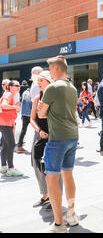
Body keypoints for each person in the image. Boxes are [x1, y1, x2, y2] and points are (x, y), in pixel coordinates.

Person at [37, 55, 79, 233]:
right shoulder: (72, 87)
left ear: (55, 69)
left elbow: (41, 114)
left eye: (50, 69)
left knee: (51, 179)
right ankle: (71, 214)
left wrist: (45, 111)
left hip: (57, 138)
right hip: (72, 136)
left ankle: (59, 223)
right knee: (68, 175)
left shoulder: (52, 88)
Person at [29, 70, 63, 210]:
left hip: (54, 137)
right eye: (38, 80)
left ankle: (56, 198)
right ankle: (46, 195)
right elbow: (32, 119)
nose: (38, 83)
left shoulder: (56, 98)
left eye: (41, 80)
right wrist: (39, 131)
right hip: (40, 135)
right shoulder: (37, 97)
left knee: (53, 169)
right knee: (36, 164)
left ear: (49, 81)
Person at [0, 80, 23, 177]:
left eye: (19, 85)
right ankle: (11, 168)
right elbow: (4, 105)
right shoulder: (9, 94)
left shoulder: (9, 94)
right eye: (16, 85)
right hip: (5, 123)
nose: (19, 87)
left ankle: (4, 167)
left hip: (6, 123)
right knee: (11, 144)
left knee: (5, 145)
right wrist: (15, 107)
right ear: (10, 87)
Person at [16, 85, 32, 153]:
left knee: (23, 130)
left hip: (24, 114)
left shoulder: (24, 92)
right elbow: (31, 104)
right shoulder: (32, 93)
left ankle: (19, 146)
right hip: (30, 114)